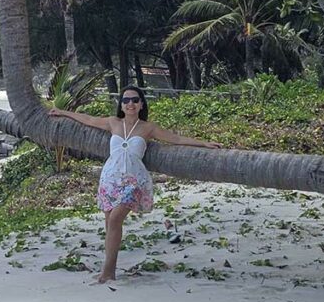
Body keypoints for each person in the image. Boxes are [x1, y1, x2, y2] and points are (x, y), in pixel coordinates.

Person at [49, 85, 222, 283]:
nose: (130, 103)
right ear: (121, 105)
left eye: (134, 100)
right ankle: (110, 270)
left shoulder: (148, 128)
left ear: (141, 104)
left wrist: (204, 143)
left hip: (133, 180)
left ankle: (107, 271)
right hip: (110, 178)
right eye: (126, 100)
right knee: (109, 224)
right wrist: (62, 112)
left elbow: (175, 138)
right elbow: (88, 119)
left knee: (115, 220)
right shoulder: (114, 122)